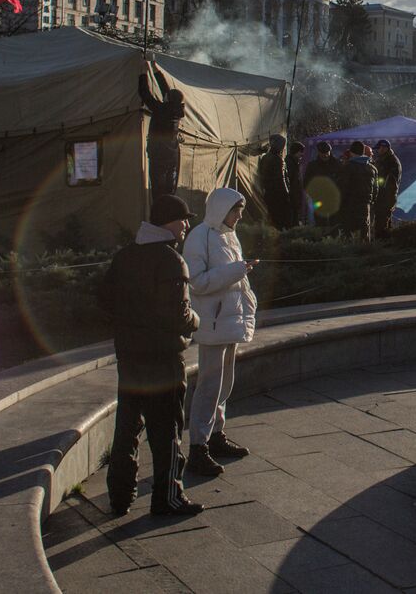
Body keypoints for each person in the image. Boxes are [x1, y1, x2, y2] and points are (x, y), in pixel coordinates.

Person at [98, 194, 202, 517]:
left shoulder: (125, 256)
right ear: (168, 222)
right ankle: (168, 496)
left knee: (127, 426)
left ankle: (119, 494)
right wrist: (197, 321)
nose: (186, 226)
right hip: (163, 358)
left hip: (130, 356)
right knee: (166, 428)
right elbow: (179, 316)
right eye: (183, 219)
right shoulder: (171, 261)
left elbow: (104, 301)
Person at [183, 188, 258, 478]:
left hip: (229, 320)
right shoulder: (199, 236)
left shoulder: (228, 235)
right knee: (209, 384)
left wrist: (241, 272)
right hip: (213, 322)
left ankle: (215, 433)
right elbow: (197, 282)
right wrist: (237, 271)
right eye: (235, 210)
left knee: (225, 382)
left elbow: (228, 274)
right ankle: (198, 446)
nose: (239, 215)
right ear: (221, 209)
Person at [138, 66, 185, 196]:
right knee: (169, 190)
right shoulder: (176, 110)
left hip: (159, 155)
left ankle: (161, 212)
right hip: (172, 155)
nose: (163, 96)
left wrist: (143, 72)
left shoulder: (161, 110)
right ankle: (170, 211)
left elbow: (144, 93)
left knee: (158, 191)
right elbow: (167, 91)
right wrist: (154, 68)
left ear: (168, 99)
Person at [339, 140, 377, 241]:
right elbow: (376, 189)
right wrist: (371, 201)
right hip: (365, 204)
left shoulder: (348, 167)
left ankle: (351, 253)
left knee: (349, 231)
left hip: (350, 204)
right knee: (364, 230)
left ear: (351, 152)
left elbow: (343, 187)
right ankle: (365, 252)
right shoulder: (372, 168)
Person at [303, 141, 343, 229]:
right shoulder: (312, 166)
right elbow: (306, 182)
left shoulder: (338, 164)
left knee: (334, 223)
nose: (325, 155)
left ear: (330, 152)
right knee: (320, 223)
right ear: (319, 152)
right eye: (322, 153)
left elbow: (342, 181)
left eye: (327, 153)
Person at [259, 134, 293, 230]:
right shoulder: (277, 160)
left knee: (274, 220)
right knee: (282, 220)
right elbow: (281, 179)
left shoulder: (265, 157)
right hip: (278, 194)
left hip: (269, 192)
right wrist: (286, 194)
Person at [372, 139, 402, 238]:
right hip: (383, 197)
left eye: (379, 148)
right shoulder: (382, 159)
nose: (377, 151)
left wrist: (385, 198)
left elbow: (391, 183)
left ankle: (383, 246)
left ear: (384, 148)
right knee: (383, 222)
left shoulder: (392, 161)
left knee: (382, 224)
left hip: (385, 198)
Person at [285, 140, 307, 227]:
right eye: (301, 152)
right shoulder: (290, 163)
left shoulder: (293, 162)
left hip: (294, 195)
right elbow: (291, 181)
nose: (302, 155)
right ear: (297, 151)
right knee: (293, 220)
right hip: (292, 196)